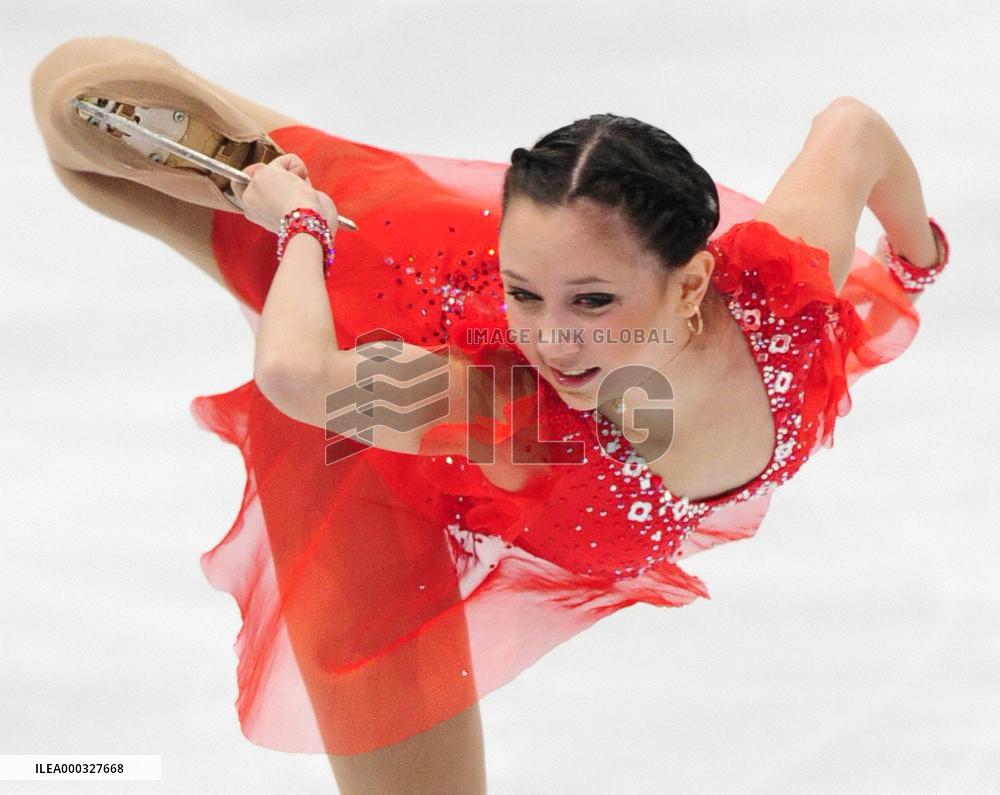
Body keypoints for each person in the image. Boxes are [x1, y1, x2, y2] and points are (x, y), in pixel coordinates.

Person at [31, 36, 949, 795]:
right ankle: (279, 214)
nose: (555, 340)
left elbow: (854, 129)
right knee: (79, 126)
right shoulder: (524, 409)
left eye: (594, 301)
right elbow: (300, 376)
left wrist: (914, 266)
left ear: (698, 279)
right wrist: (303, 228)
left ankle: (274, 201)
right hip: (381, 418)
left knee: (109, 138)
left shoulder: (781, 302)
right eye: (531, 295)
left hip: (431, 286)